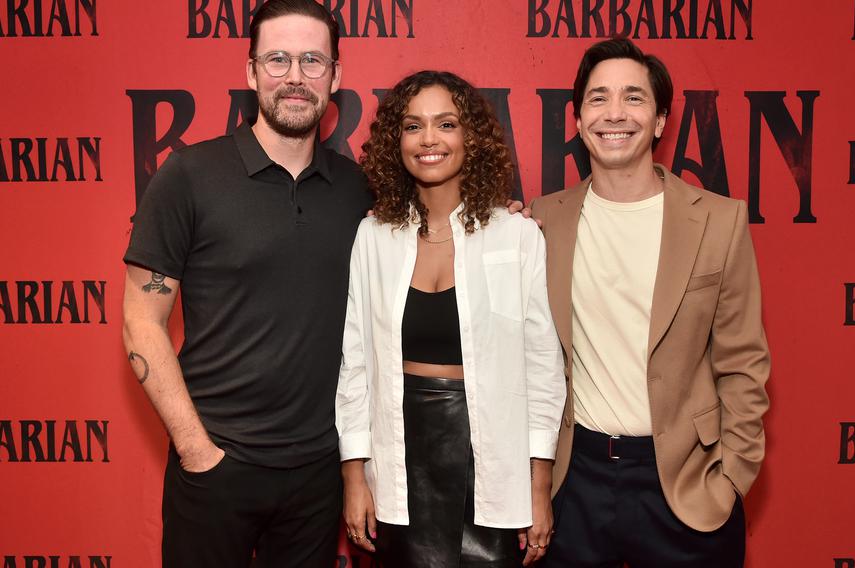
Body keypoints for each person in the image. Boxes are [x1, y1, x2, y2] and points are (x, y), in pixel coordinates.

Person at [121, 1, 373, 566]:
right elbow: (141, 321)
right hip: (215, 468)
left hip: (317, 474)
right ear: (250, 71)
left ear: (336, 76)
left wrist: (502, 214)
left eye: (313, 61)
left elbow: (433, 231)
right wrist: (195, 450)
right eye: (278, 59)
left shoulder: (357, 188)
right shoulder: (188, 176)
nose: (295, 77)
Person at [532, 38, 770, 567]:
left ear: (661, 120)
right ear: (577, 119)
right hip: (576, 482)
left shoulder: (719, 221)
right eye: (598, 98)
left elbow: (743, 365)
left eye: (633, 98)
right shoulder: (541, 221)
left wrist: (731, 478)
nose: (614, 113)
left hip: (688, 484)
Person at [335, 70, 566, 568]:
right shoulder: (373, 237)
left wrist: (539, 485)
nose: (429, 140)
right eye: (413, 126)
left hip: (492, 454)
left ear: (471, 137)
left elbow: (544, 369)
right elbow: (354, 366)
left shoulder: (517, 236)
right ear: (396, 141)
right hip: (399, 452)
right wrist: (355, 477)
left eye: (446, 124)